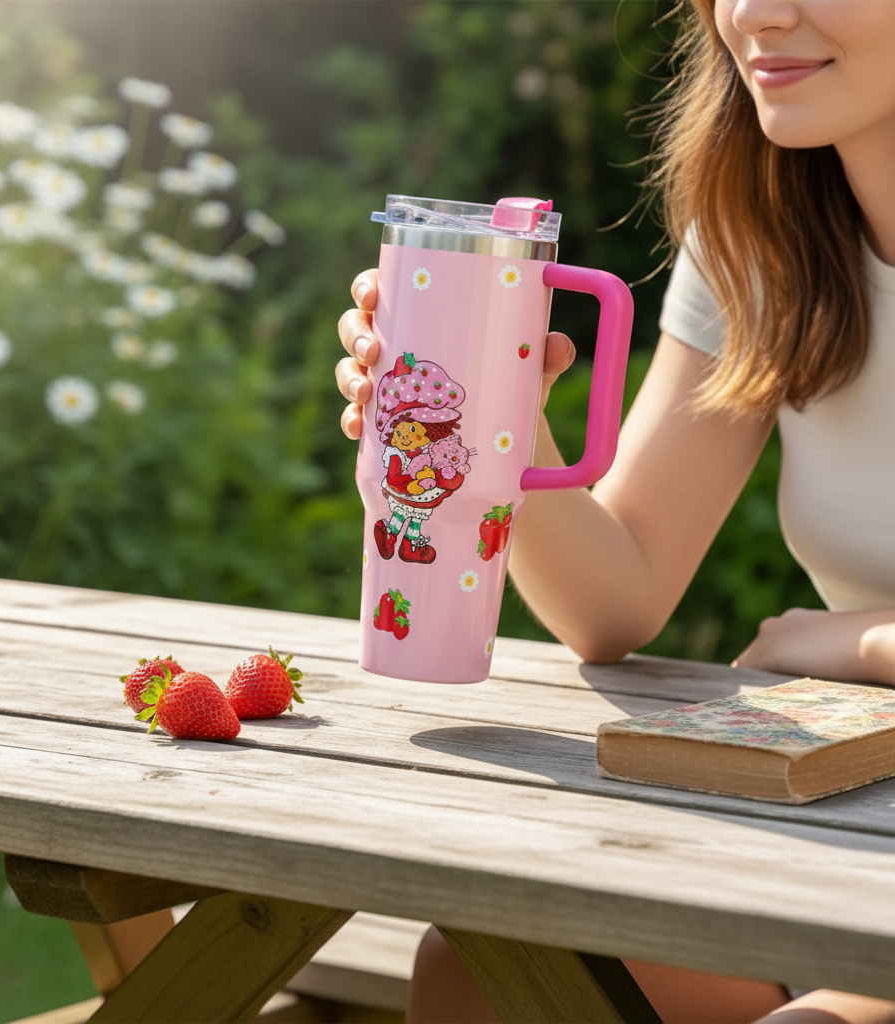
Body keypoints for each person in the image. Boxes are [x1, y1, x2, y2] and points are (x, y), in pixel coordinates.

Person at [335, 0, 895, 1020]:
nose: (754, 12)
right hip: (846, 825)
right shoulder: (767, 243)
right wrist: (499, 422)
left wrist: (849, 640)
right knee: (490, 972)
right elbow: (615, 597)